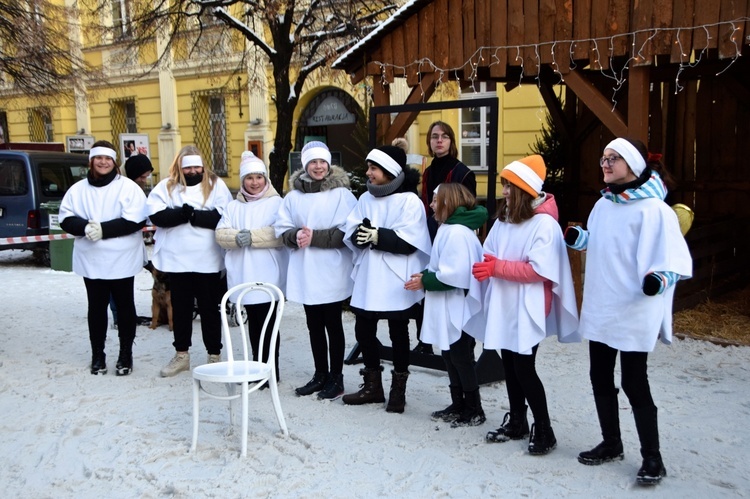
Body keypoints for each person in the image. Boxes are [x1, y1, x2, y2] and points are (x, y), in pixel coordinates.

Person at [565, 138, 692, 485]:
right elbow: (602, 241)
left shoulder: (655, 210)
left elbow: (673, 259)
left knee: (635, 382)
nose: (604, 164)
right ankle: (611, 442)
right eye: (603, 158)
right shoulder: (603, 206)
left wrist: (659, 279)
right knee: (599, 376)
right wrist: (581, 239)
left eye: (613, 159)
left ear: (633, 165)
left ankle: (653, 458)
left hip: (635, 308)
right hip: (603, 304)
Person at [470, 154, 579, 455]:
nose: (504, 191)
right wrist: (483, 266)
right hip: (505, 302)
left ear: (524, 189)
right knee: (509, 364)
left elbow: (538, 270)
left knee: (524, 368)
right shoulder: (505, 220)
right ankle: (517, 420)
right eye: (504, 185)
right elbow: (489, 252)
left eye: (509, 186)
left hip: (528, 305)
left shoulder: (544, 224)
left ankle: (544, 429)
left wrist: (496, 268)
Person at [342, 145, 431, 413]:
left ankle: (398, 390)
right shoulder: (366, 198)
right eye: (368, 167)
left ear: (389, 171)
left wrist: (378, 236)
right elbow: (353, 226)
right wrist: (360, 233)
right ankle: (373, 386)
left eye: (373, 168)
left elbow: (411, 240)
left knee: (398, 332)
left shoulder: (409, 201)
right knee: (363, 330)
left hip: (396, 276)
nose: (368, 173)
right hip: (371, 274)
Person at [275, 141, 356, 400]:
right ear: (305, 165)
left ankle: (337, 377)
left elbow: (349, 229)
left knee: (333, 323)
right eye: (313, 162)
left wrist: (316, 238)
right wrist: (295, 235)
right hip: (306, 268)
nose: (318, 166)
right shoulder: (294, 197)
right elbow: (281, 226)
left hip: (330, 268)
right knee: (313, 324)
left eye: (322, 162)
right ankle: (320, 374)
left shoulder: (342, 195)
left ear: (329, 164)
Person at [59, 140, 147, 376]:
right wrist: (85, 227)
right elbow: (66, 218)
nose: (103, 162)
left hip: (122, 259)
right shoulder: (78, 190)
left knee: (125, 306)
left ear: (114, 162)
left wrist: (104, 230)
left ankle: (125, 353)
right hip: (92, 259)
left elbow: (136, 219)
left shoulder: (127, 187)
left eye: (108, 159)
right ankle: (97, 354)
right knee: (96, 308)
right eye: (99, 158)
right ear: (92, 161)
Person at [405, 183, 487, 426]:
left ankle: (473, 407)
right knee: (450, 355)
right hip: (447, 302)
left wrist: (426, 280)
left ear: (448, 202)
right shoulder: (448, 228)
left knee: (461, 355)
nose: (430, 205)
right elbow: (439, 265)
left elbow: (456, 274)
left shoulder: (457, 232)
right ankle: (459, 402)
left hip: (457, 304)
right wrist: (424, 275)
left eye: (435, 200)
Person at [146, 145, 232, 377]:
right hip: (178, 260)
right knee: (182, 309)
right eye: (188, 167)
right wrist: (180, 214)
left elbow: (223, 215)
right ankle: (181, 354)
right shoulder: (167, 186)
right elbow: (157, 214)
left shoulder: (215, 185)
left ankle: (214, 355)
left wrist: (193, 215)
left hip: (208, 259)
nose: (193, 171)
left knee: (209, 309)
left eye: (197, 166)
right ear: (180, 167)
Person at [216, 151, 287, 382]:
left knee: (269, 325)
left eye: (259, 177)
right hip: (244, 273)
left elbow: (280, 232)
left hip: (268, 273)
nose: (254, 183)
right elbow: (221, 233)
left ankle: (272, 370)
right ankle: (257, 367)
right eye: (249, 178)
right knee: (254, 326)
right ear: (243, 180)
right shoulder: (233, 206)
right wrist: (236, 238)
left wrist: (253, 237)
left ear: (265, 179)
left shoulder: (276, 203)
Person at [414, 122, 477, 355]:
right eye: (434, 137)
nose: (439, 140)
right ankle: (426, 340)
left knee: (451, 285)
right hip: (431, 232)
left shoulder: (463, 172)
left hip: (454, 234)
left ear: (451, 141)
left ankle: (461, 344)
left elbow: (468, 208)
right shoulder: (429, 172)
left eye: (444, 136)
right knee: (427, 282)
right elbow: (425, 205)